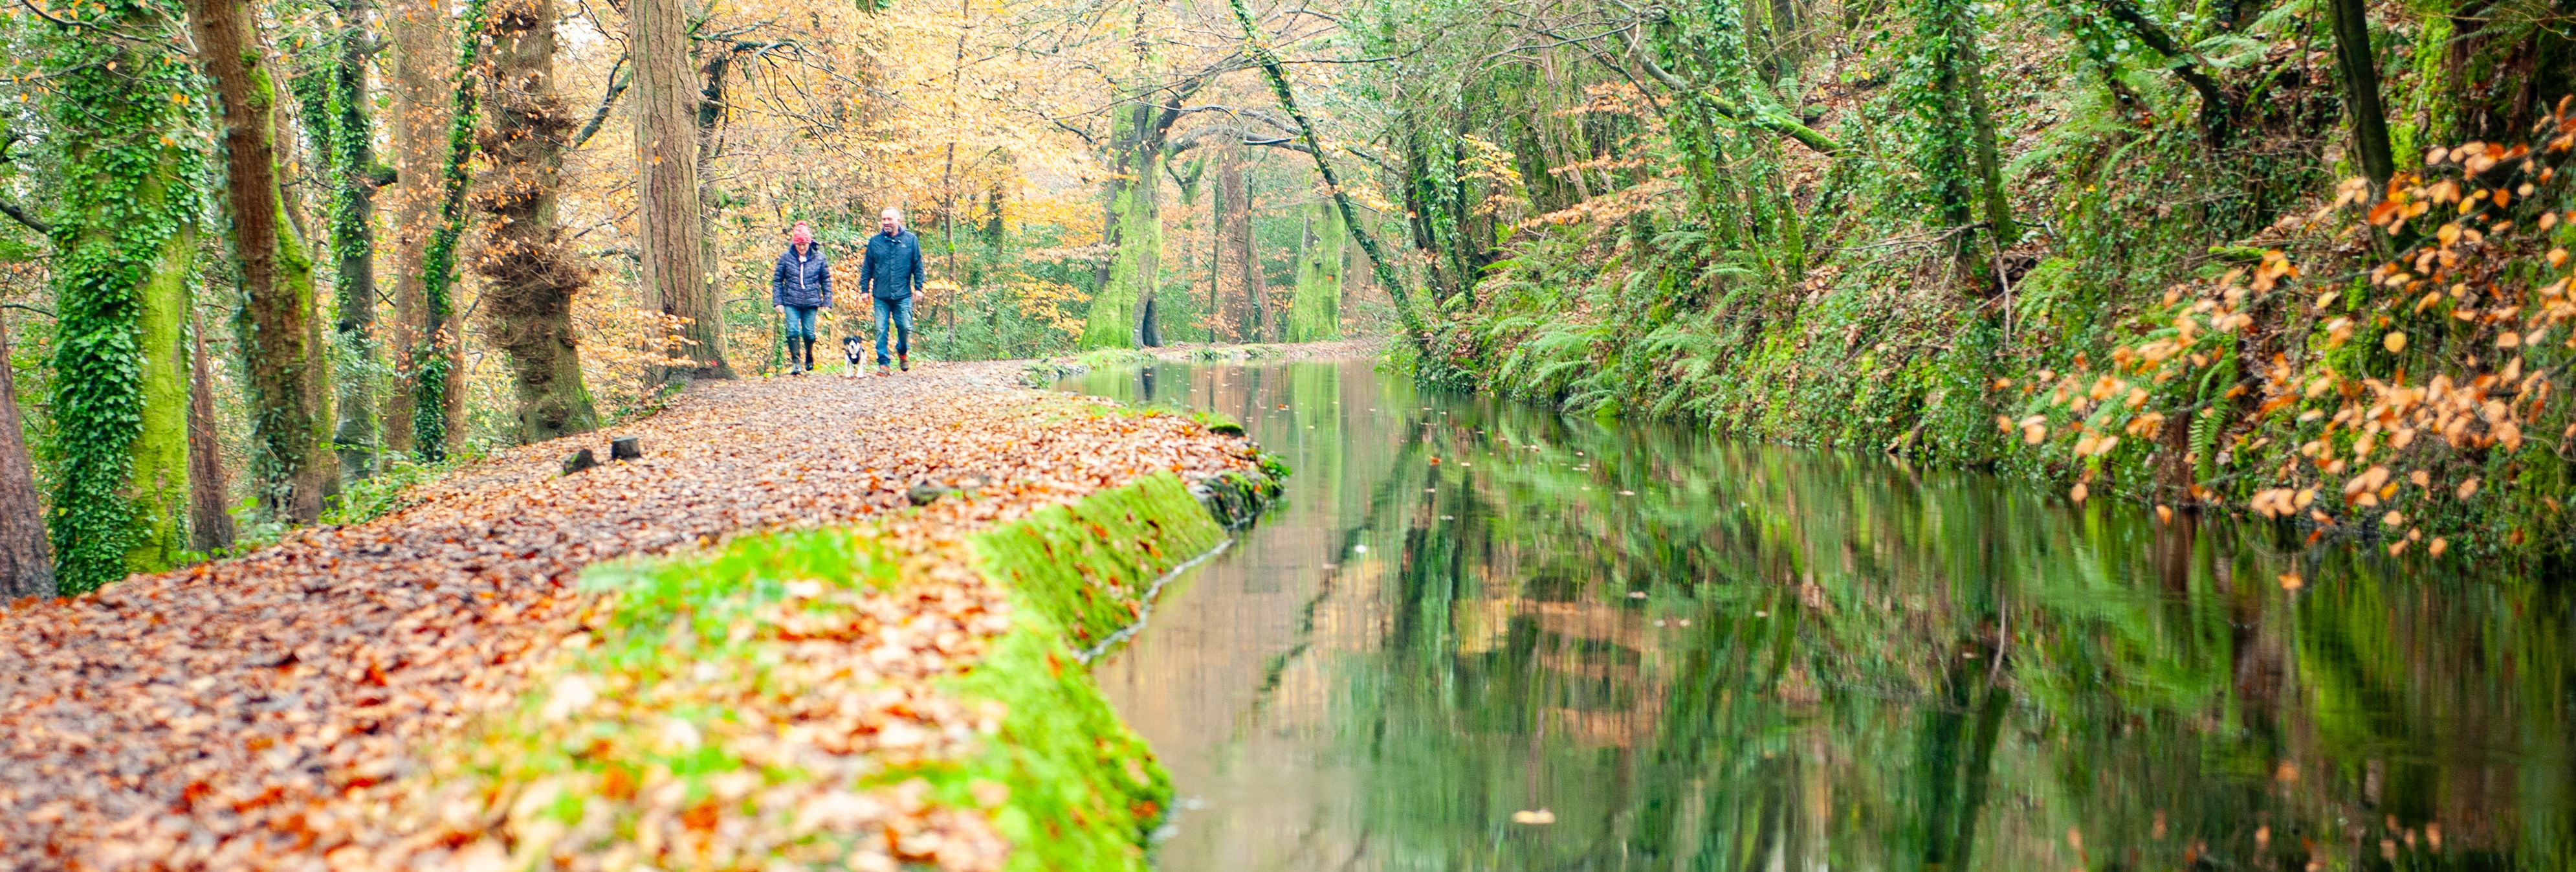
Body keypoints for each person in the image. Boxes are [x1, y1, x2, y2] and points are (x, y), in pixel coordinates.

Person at [859, 207, 924, 375]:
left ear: (898, 221)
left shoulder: (910, 240)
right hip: (881, 294)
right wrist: (864, 290)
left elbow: (918, 265)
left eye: (889, 219)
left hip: (902, 294)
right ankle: (884, 364)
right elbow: (867, 268)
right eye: (884, 220)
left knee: (905, 327)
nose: (886, 222)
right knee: (881, 329)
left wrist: (919, 288)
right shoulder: (875, 242)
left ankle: (902, 352)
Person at [771, 221, 831, 375]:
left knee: (809, 334)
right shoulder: (786, 258)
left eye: (804, 244)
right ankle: (796, 362)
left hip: (811, 301)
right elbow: (778, 280)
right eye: (799, 244)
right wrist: (778, 302)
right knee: (792, 331)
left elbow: (826, 281)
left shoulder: (819, 258)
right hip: (791, 300)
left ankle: (809, 354)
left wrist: (827, 302)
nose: (802, 247)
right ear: (794, 244)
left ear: (809, 242)